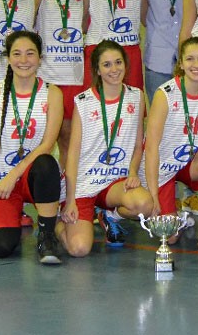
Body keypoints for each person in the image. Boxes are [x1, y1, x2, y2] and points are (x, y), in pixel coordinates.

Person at [0, 31, 64, 264]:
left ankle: (46, 235)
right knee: (1, 247)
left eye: (30, 53)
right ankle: (14, 215)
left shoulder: (52, 94)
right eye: (17, 54)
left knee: (46, 164)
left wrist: (14, 174)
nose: (23, 60)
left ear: (40, 58)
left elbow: (47, 144)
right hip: (0, 184)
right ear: (8, 58)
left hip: (29, 178)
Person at [57, 40, 154, 255]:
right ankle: (58, 224)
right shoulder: (83, 101)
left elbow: (139, 145)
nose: (114, 69)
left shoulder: (136, 96)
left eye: (118, 62)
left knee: (144, 205)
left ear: (126, 64)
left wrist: (132, 171)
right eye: (107, 65)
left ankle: (110, 215)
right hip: (85, 182)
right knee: (79, 249)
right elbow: (72, 155)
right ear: (97, 70)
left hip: (115, 182)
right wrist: (71, 200)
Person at [139, 37, 198, 255]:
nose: (196, 65)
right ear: (180, 63)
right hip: (161, 168)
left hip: (188, 162)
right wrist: (153, 194)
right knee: (170, 236)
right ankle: (117, 212)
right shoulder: (165, 95)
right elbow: (151, 147)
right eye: (190, 59)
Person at [35, 0, 85, 171]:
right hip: (47, 79)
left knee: (68, 139)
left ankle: (67, 192)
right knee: (41, 141)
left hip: (74, 78)